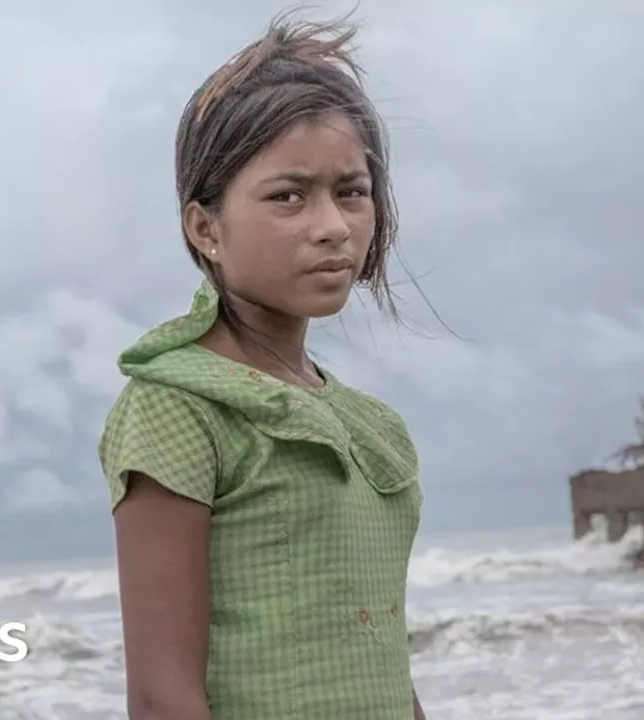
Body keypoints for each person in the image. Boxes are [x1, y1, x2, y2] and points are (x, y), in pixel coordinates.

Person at [98, 9, 428, 719]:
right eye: (288, 196)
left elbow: (385, 670)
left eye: (352, 191)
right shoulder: (179, 406)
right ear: (205, 227)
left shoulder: (374, 428)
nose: (333, 226)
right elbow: (162, 698)